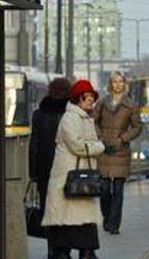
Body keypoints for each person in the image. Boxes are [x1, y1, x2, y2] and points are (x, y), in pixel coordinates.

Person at [41, 79, 106, 259]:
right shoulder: (70, 118)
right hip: (70, 179)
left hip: (79, 178)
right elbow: (77, 145)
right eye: (87, 96)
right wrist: (100, 147)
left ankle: (83, 252)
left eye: (92, 96)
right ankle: (79, 252)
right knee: (70, 218)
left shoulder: (84, 117)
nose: (91, 100)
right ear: (78, 98)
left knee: (78, 219)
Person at [93, 72, 142, 235]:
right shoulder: (101, 102)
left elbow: (137, 127)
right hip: (104, 150)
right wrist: (100, 138)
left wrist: (123, 138)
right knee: (105, 190)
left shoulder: (131, 105)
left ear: (124, 84)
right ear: (110, 84)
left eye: (121, 81)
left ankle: (114, 224)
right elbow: (93, 122)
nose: (118, 84)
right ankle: (107, 218)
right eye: (115, 82)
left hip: (120, 150)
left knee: (118, 190)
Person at [29, 77, 72, 259]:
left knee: (49, 211)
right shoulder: (71, 114)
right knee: (67, 211)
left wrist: (33, 173)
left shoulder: (39, 115)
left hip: (45, 172)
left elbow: (34, 146)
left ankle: (52, 250)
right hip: (68, 170)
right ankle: (64, 250)